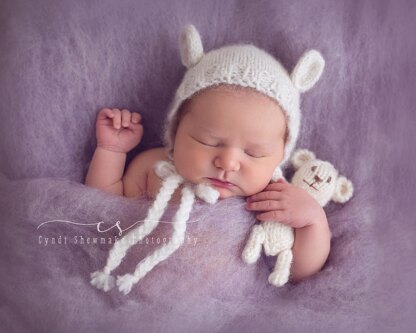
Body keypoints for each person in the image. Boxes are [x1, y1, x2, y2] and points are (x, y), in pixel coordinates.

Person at [85, 24, 330, 282]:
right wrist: (111, 151)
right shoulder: (155, 168)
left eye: (254, 153)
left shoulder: (271, 200)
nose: (228, 162)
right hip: (132, 288)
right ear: (176, 130)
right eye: (208, 141)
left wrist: (314, 222)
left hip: (224, 315)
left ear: (279, 158)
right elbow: (101, 215)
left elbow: (298, 272)